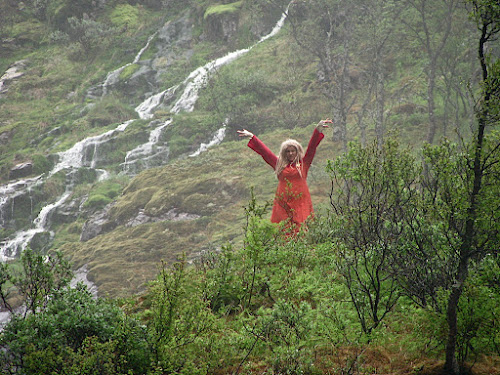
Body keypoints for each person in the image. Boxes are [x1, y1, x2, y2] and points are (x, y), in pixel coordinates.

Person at [237, 120, 330, 233]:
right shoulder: (279, 164)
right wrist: (253, 137)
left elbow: (311, 148)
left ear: (297, 151)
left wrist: (317, 130)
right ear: (284, 153)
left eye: (293, 151)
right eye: (288, 151)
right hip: (283, 204)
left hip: (301, 202)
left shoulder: (304, 164)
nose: (290, 153)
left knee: (303, 228)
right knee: (283, 231)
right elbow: (265, 152)